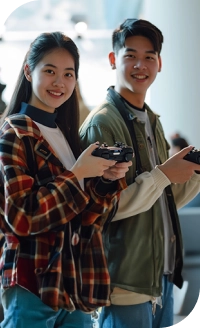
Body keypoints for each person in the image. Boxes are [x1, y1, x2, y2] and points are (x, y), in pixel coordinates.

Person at [0, 31, 132, 328]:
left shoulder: (67, 136)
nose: (60, 82)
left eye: (68, 74)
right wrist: (77, 175)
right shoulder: (15, 133)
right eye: (50, 71)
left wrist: (104, 182)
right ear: (28, 71)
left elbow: (86, 219)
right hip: (32, 284)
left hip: (74, 284)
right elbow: (22, 217)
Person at [79, 18, 200, 328]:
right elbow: (103, 208)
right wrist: (162, 175)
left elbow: (164, 197)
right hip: (124, 280)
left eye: (149, 56)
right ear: (112, 59)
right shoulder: (102, 124)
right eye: (130, 54)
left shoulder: (151, 120)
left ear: (159, 63)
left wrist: (193, 172)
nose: (140, 64)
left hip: (158, 275)